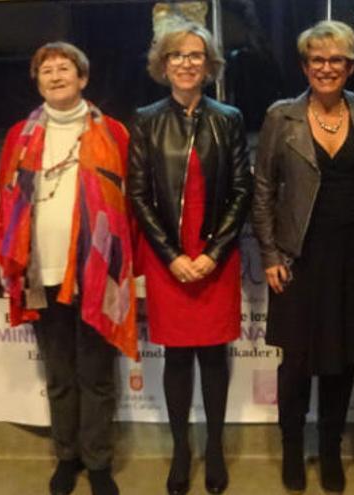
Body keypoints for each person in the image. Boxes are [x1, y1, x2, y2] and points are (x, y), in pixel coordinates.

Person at [0, 41, 138, 495]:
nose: (55, 76)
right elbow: (6, 199)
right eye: (45, 71)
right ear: (37, 82)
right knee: (59, 375)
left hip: (93, 274)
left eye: (64, 68)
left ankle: (97, 463)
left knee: (95, 375)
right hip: (40, 274)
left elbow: (128, 206)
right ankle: (66, 457)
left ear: (83, 78)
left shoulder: (113, 133)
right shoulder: (20, 136)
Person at [251, 20, 354, 494]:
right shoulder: (280, 117)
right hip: (298, 258)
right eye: (316, 60)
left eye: (336, 60)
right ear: (305, 66)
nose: (326, 68)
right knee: (295, 366)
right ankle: (292, 449)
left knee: (342, 361)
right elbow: (263, 188)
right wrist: (269, 253)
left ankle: (330, 452)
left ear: (351, 66)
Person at [127, 19, 252, 495]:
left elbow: (242, 190)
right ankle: (181, 450)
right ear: (163, 63)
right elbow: (138, 195)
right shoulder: (146, 119)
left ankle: (215, 449)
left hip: (216, 260)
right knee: (177, 359)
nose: (186, 63)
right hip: (167, 261)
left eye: (195, 55)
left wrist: (214, 253)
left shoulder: (229, 118)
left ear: (209, 64)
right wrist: (174, 255)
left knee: (214, 358)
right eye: (177, 55)